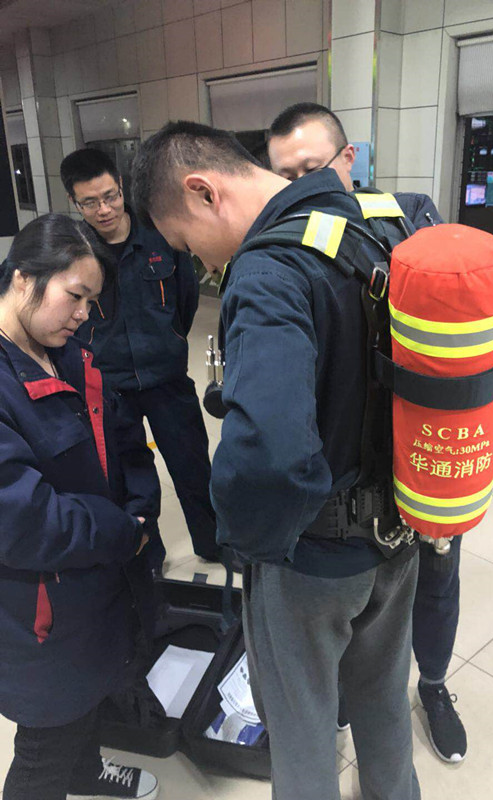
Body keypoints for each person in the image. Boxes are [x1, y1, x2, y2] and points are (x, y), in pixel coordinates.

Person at [132, 121, 420, 800]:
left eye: (186, 244)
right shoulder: (372, 221)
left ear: (204, 192)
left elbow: (269, 458)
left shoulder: (267, 270)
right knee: (382, 699)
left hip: (313, 558)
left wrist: (245, 544)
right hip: (400, 532)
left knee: (301, 729)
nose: (200, 265)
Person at [267, 102, 467, 764]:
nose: (297, 187)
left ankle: (433, 686)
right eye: (283, 176)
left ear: (347, 159)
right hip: (359, 475)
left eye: (310, 169)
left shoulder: (408, 218)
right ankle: (354, 699)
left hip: (426, 450)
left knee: (436, 577)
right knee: (369, 613)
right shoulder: (292, 243)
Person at [0, 214, 159, 800]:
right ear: (23, 278)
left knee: (89, 694)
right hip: (41, 605)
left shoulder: (67, 352)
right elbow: (25, 519)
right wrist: (124, 532)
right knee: (46, 742)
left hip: (96, 579)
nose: (84, 314)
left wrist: (142, 504)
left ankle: (87, 773)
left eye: (92, 301)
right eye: (75, 296)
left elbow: (123, 435)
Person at [60, 148, 218, 569]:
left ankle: (214, 545)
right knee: (130, 477)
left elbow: (186, 301)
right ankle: (148, 553)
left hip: (167, 379)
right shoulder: (74, 252)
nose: (104, 209)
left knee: (192, 466)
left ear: (121, 186)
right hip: (109, 387)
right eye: (89, 202)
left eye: (110, 196)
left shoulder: (159, 234)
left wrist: (167, 340)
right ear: (74, 202)